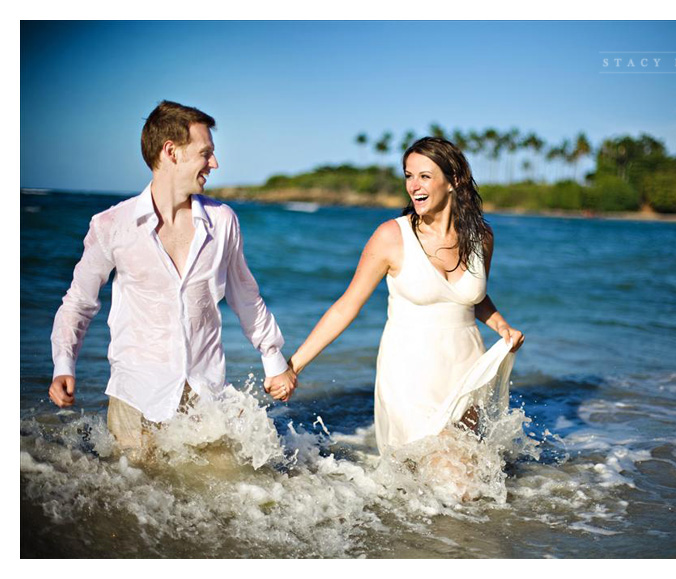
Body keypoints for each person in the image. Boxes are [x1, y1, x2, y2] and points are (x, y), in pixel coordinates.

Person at [48, 100, 297, 451]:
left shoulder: (223, 220)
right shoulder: (112, 225)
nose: (214, 163)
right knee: (135, 499)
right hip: (136, 397)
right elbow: (79, 301)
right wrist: (64, 363)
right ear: (171, 152)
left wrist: (273, 362)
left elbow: (245, 295)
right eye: (205, 153)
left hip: (205, 397)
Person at [271, 137, 524, 456]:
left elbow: (473, 299)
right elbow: (347, 306)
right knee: (443, 476)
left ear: (453, 180)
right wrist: (294, 367)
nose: (413, 185)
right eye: (408, 175)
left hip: (464, 370)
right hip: (410, 371)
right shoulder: (391, 236)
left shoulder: (482, 237)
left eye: (425, 176)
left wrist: (502, 327)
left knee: (465, 481)